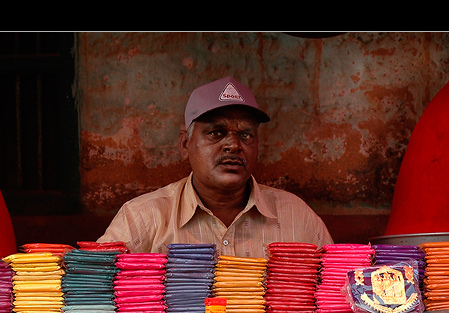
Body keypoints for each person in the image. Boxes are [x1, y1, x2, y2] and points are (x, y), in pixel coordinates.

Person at [96, 76, 333, 257]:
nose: (233, 145)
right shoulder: (143, 218)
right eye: (216, 133)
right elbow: (93, 288)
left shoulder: (298, 218)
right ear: (185, 143)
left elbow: (340, 295)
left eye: (246, 135)